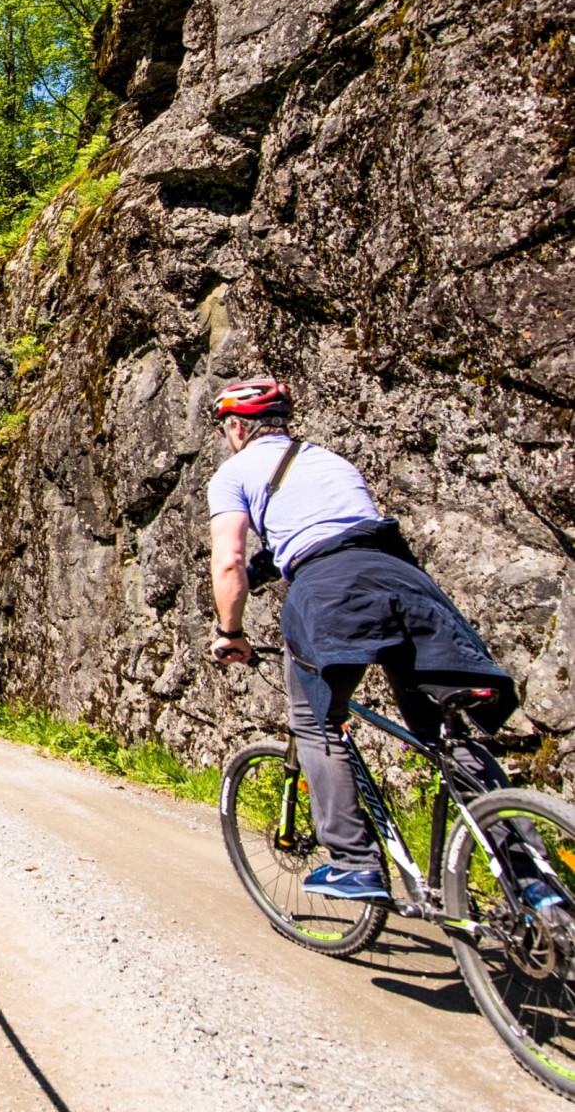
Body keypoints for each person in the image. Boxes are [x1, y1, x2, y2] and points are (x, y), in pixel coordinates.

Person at [203, 377, 556, 906]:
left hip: (330, 592)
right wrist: (267, 565)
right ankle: (531, 880)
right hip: (407, 583)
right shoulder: (331, 462)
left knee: (316, 723)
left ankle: (354, 862)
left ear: (235, 427)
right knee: (448, 730)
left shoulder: (234, 473)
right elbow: (339, 532)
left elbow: (229, 560)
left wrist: (231, 632)